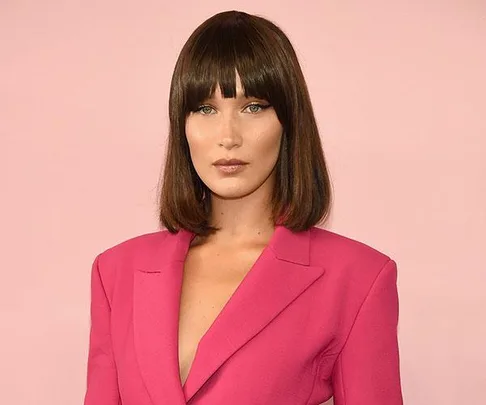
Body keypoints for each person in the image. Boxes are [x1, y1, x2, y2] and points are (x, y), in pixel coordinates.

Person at [83, 10, 403, 405]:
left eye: (253, 106)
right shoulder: (117, 272)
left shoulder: (358, 279)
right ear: (181, 126)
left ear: (288, 121)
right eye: (205, 108)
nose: (228, 136)